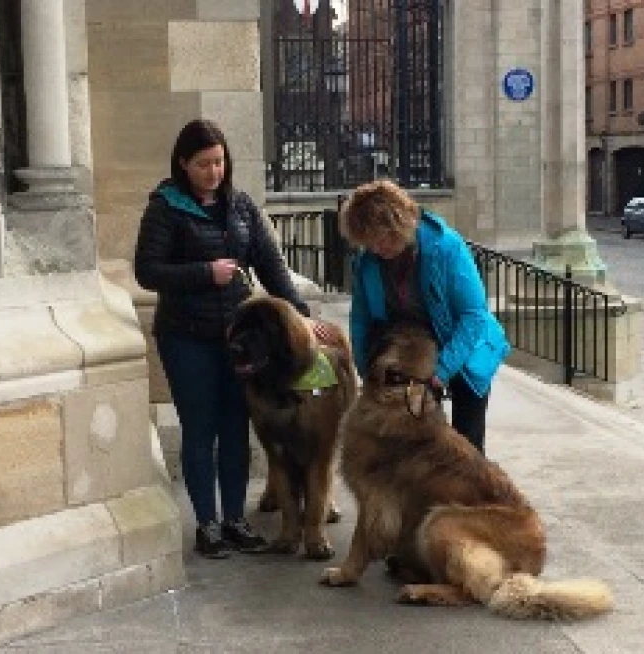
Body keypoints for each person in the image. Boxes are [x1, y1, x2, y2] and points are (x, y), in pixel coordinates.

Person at [134, 119, 329, 559]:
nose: (213, 171)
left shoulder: (240, 206)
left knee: (236, 429)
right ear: (183, 164)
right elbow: (147, 272)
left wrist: (300, 314)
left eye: (219, 161)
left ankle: (236, 519)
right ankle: (207, 524)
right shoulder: (165, 208)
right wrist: (207, 272)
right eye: (204, 164)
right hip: (186, 337)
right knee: (200, 430)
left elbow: (272, 267)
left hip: (240, 341)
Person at [339, 179, 510, 455]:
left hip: (464, 345)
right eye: (368, 242)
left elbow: (474, 315)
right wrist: (364, 366)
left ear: (398, 225)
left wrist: (441, 371)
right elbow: (361, 318)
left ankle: (468, 497)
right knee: (413, 442)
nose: (375, 249)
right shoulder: (367, 263)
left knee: (466, 447)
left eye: (380, 239)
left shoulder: (446, 248)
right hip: (412, 349)